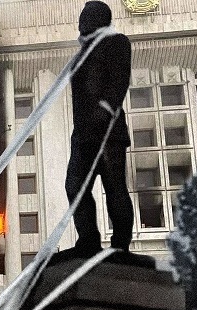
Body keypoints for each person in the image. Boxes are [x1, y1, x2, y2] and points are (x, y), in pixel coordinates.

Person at [61, 1, 133, 263]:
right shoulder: (80, 54)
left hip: (108, 131)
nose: (82, 21)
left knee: (114, 187)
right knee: (74, 186)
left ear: (101, 19)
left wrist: (105, 108)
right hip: (82, 135)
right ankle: (88, 240)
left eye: (87, 16)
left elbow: (119, 80)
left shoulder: (117, 42)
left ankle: (120, 245)